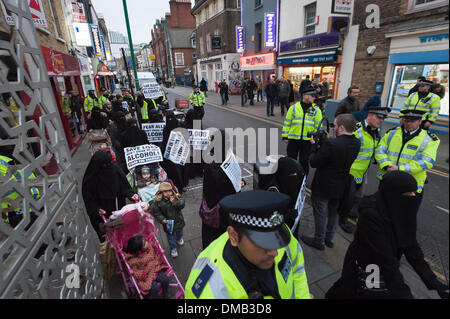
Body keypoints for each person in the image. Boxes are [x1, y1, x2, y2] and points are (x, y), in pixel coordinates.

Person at [326, 171, 449, 299]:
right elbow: (386, 259)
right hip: (368, 264)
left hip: (384, 265)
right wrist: (404, 294)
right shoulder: (370, 214)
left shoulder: (404, 208)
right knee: (357, 292)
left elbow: (411, 247)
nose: (413, 196)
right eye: (409, 193)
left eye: (414, 192)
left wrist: (436, 283)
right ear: (394, 194)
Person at [185, 191, 310, 299]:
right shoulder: (211, 291)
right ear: (233, 236)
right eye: (263, 243)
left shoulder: (280, 233)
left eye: (276, 242)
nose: (275, 252)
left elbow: (297, 266)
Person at [301, 114, 361, 251]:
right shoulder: (356, 143)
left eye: (334, 125)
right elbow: (339, 149)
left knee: (321, 213)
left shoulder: (331, 144)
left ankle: (319, 241)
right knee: (334, 213)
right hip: (341, 185)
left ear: (341, 127)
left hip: (324, 185)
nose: (333, 127)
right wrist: (328, 140)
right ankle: (329, 239)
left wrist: (314, 146)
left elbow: (314, 161)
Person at [375, 109, 439, 211]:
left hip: (410, 186)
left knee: (404, 216)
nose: (409, 123)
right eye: (406, 120)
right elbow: (379, 150)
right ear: (402, 120)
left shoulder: (430, 139)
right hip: (388, 180)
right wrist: (387, 165)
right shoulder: (392, 133)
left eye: (412, 121)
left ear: (420, 121)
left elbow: (426, 162)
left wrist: (400, 169)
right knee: (381, 210)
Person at [339, 106, 391, 234]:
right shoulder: (356, 129)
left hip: (362, 172)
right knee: (346, 199)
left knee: (353, 199)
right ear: (369, 115)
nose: (381, 120)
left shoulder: (376, 131)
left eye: (384, 118)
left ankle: (347, 213)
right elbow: (342, 147)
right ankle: (342, 220)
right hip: (350, 172)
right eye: (379, 117)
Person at [81, 150, 139, 241]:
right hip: (102, 213)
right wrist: (96, 210)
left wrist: (131, 195)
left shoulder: (115, 170)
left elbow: (125, 187)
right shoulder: (90, 179)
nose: (108, 167)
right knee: (109, 238)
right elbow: (89, 200)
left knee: (123, 234)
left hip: (118, 207)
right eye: (105, 165)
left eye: (109, 164)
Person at [199, 130, 237, 249]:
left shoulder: (225, 156)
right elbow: (217, 181)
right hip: (217, 210)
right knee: (215, 239)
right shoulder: (212, 161)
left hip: (224, 209)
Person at [282, 87, 323, 176]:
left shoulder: (316, 110)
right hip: (293, 139)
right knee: (291, 160)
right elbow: (287, 123)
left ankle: (303, 179)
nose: (314, 98)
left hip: (307, 141)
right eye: (313, 96)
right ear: (306, 96)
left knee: (304, 161)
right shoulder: (293, 108)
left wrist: (316, 138)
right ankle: (290, 177)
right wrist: (285, 136)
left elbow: (318, 126)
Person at [151, 182, 186, 258]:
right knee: (170, 237)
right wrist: (162, 219)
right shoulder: (158, 201)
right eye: (165, 192)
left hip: (178, 220)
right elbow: (157, 212)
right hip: (168, 223)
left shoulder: (176, 196)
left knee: (180, 232)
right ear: (161, 192)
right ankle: (173, 248)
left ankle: (179, 238)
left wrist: (174, 202)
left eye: (169, 191)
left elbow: (182, 204)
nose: (168, 193)